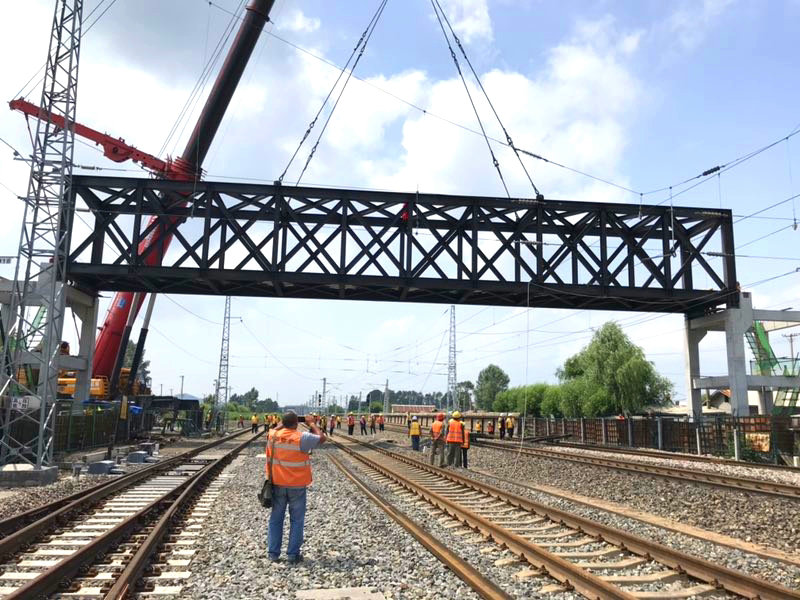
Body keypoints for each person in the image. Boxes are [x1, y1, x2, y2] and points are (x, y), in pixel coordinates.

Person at [266, 411, 326, 563]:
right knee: (297, 520)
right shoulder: (302, 438)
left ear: (283, 422)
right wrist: (312, 423)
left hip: (278, 484)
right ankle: (293, 555)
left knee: (276, 519)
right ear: (296, 423)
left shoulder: (273, 435)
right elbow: (322, 438)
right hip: (297, 486)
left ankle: (273, 554)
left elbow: (275, 429)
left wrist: (283, 423)